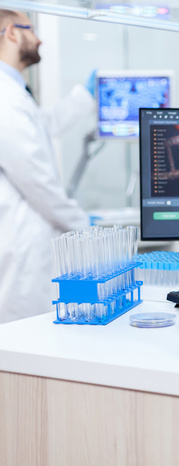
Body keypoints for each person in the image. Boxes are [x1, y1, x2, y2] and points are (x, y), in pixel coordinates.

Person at [0, 10, 93, 324]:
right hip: (19, 246)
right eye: (32, 30)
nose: (39, 39)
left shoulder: (14, 93)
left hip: (26, 242)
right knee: (23, 350)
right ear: (12, 32)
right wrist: (83, 226)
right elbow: (34, 175)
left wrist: (84, 96)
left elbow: (41, 125)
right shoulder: (4, 96)